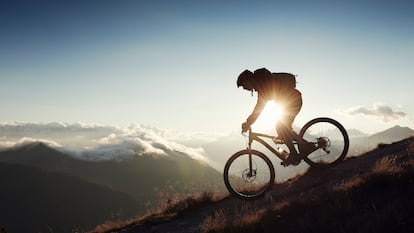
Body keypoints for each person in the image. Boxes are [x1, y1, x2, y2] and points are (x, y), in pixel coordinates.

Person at [237, 67, 306, 166]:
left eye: (244, 85)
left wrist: (248, 123)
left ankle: (295, 154)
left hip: (292, 101)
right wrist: (248, 122)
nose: (244, 88)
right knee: (283, 130)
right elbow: (259, 107)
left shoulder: (263, 84)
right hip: (292, 101)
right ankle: (304, 145)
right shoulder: (262, 85)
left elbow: (259, 108)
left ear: (249, 80)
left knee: (281, 127)